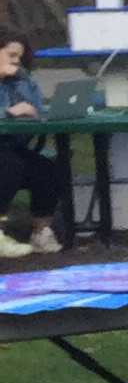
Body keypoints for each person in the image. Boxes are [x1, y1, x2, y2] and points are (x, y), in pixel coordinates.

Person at [0, 33, 70, 256]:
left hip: (12, 145)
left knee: (46, 169)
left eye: (20, 57)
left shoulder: (23, 79)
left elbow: (36, 109)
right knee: (9, 167)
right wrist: (9, 112)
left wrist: (31, 110)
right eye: (11, 55)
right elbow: (13, 112)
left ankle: (41, 231)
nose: (16, 61)